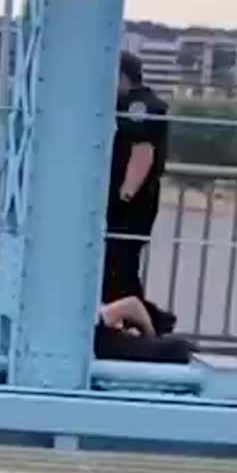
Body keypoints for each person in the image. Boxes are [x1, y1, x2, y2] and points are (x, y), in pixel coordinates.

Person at [104, 51, 169, 305]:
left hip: (131, 204)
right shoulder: (134, 103)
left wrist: (125, 195)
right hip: (133, 202)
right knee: (120, 268)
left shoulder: (138, 107)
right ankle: (134, 324)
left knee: (119, 267)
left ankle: (143, 325)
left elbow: (143, 152)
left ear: (122, 76)